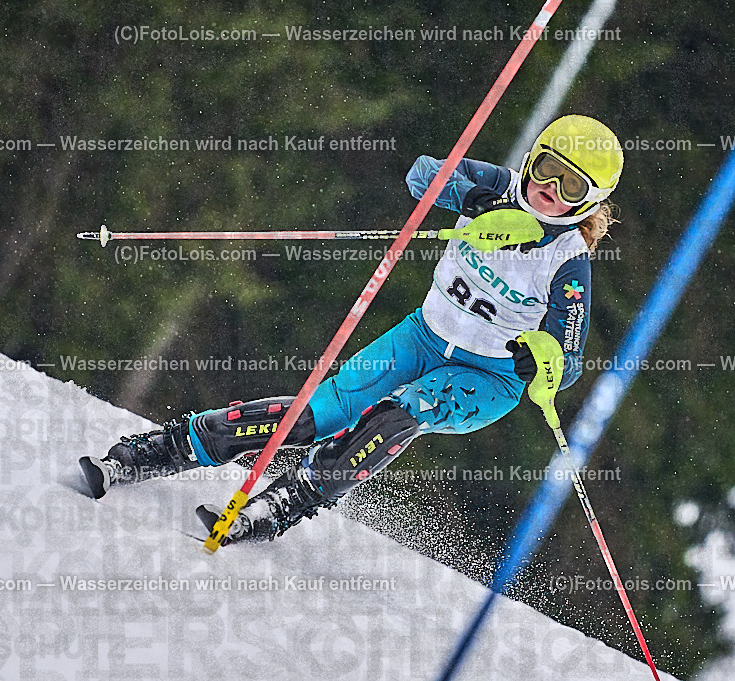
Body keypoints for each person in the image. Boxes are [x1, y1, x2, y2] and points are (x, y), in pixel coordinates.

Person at [79, 114, 624, 545]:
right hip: (422, 336)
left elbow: (567, 357)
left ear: (589, 203)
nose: (549, 188)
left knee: (407, 410)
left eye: (570, 185)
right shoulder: (499, 186)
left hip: (487, 378)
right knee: (319, 412)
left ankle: (294, 496)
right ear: (531, 160)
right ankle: (165, 449)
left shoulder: (569, 261)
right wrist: (460, 194)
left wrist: (542, 360)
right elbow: (421, 174)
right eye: (546, 168)